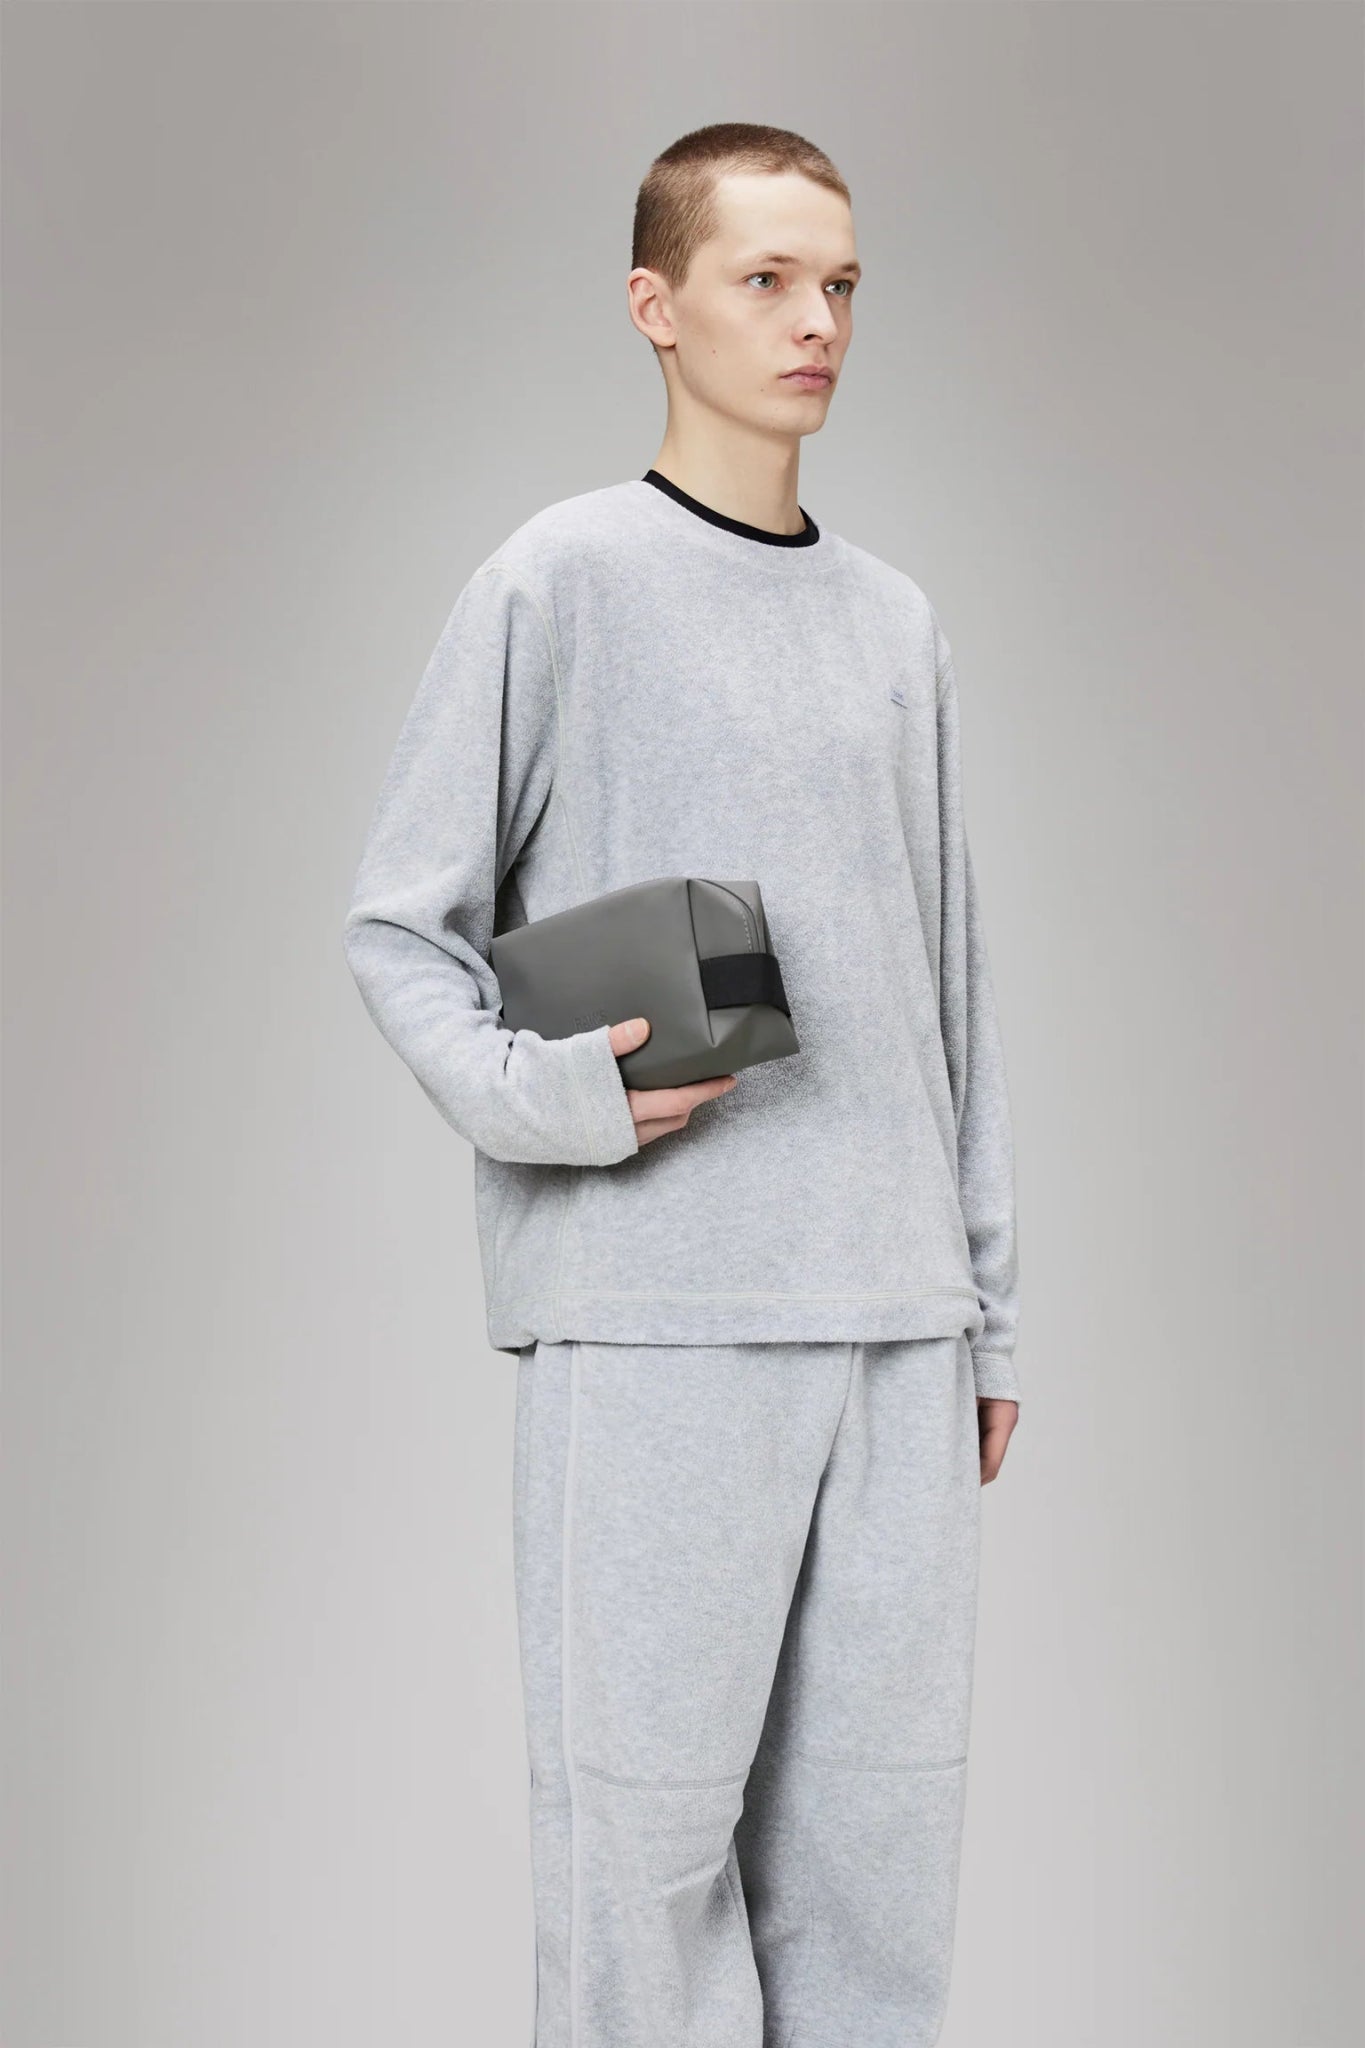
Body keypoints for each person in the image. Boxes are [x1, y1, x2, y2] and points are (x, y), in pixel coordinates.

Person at [343, 120, 1022, 2048]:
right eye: (765, 279)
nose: (816, 323)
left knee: (874, 1879)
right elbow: (400, 927)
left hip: (891, 1328)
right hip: (656, 1317)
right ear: (655, 306)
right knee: (639, 1876)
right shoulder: (556, 582)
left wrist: (983, 1313)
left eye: (841, 285)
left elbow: (952, 987)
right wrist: (556, 1100)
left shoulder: (894, 622)